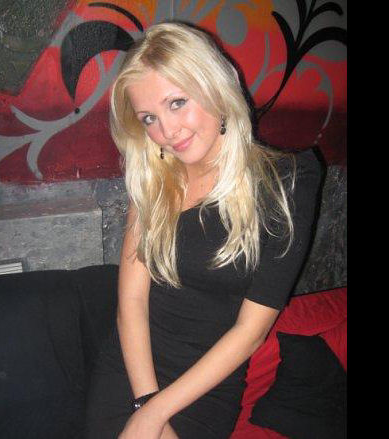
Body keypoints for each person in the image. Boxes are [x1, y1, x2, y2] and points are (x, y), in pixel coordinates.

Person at [85, 22, 322, 439]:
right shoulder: (153, 180)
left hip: (207, 386)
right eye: (149, 118)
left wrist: (156, 414)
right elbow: (132, 302)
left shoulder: (286, 181)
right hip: (131, 367)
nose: (166, 132)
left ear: (214, 86)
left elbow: (250, 332)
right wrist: (145, 403)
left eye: (177, 103)